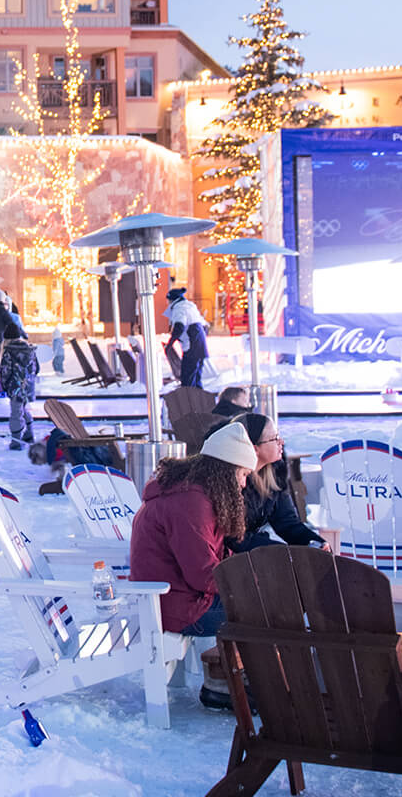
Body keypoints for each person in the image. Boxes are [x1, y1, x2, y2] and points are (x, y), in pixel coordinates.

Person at [129, 421, 257, 709]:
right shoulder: (191, 503)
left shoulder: (192, 493)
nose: (244, 484)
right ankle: (227, 686)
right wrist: (252, 580)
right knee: (266, 606)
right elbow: (203, 575)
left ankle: (224, 682)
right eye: (243, 474)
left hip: (172, 598)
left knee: (265, 599)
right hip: (177, 606)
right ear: (227, 470)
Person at [227, 413, 323, 552]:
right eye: (275, 438)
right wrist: (283, 552)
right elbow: (234, 539)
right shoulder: (230, 481)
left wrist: (316, 544)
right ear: (254, 448)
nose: (282, 442)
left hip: (254, 552)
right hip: (228, 560)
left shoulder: (274, 474)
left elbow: (287, 523)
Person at [0, 324, 39, 450]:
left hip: (15, 387)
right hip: (28, 386)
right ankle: (29, 433)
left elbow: (5, 371)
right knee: (23, 408)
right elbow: (36, 369)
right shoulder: (30, 350)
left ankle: (16, 441)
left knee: (16, 413)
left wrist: (5, 385)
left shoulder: (9, 352)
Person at [164, 287, 210, 388]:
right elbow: (206, 326)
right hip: (200, 345)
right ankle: (198, 399)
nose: (168, 303)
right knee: (196, 376)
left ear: (172, 299)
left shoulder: (179, 308)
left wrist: (170, 344)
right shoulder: (190, 306)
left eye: (168, 300)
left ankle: (189, 400)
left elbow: (179, 326)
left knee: (187, 376)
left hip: (192, 346)